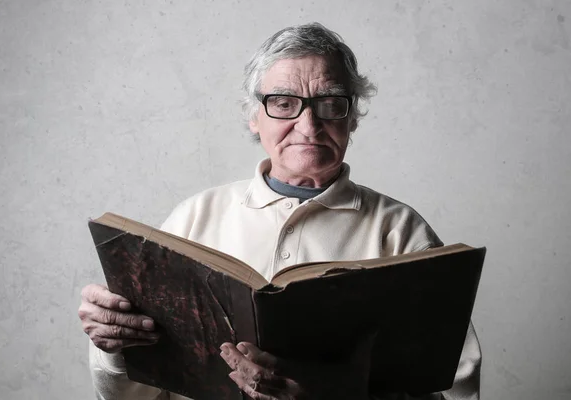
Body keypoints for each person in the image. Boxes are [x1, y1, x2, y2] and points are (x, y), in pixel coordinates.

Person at [78, 22, 481, 400]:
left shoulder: (402, 233)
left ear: (351, 117)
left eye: (329, 104)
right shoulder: (192, 218)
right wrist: (113, 346)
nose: (308, 126)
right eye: (284, 103)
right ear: (254, 117)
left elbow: (453, 392)